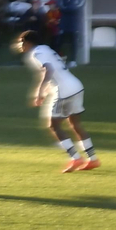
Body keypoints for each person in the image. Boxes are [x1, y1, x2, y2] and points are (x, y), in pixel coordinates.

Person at [13, 30, 98, 172]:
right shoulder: (46, 49)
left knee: (54, 125)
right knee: (75, 124)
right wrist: (45, 91)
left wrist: (40, 92)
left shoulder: (36, 53)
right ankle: (93, 159)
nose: (20, 45)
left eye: (21, 42)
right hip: (76, 85)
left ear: (27, 42)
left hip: (64, 90)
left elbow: (49, 70)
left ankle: (75, 158)